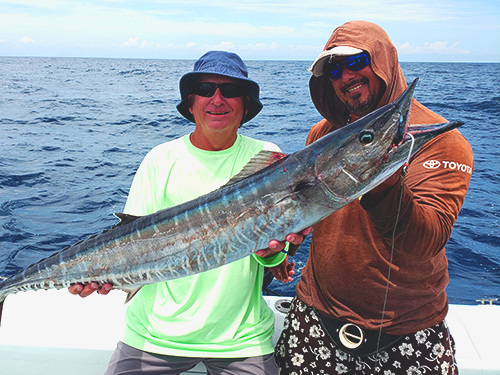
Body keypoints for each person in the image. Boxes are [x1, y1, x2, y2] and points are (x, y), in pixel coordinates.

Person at [69, 50, 305, 375]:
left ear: (246, 104)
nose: (218, 99)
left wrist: (273, 255)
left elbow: (272, 254)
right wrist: (99, 273)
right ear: (192, 103)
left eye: (231, 90)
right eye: (207, 89)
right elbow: (129, 241)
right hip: (154, 334)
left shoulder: (269, 158)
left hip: (240, 338)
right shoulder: (160, 159)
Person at [273, 21, 473, 374]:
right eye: (334, 69)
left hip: (408, 330)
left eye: (356, 61)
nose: (345, 75)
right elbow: (308, 209)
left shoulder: (444, 141)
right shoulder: (322, 133)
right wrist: (281, 248)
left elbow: (425, 241)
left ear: (382, 60)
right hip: (315, 316)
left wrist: (381, 183)